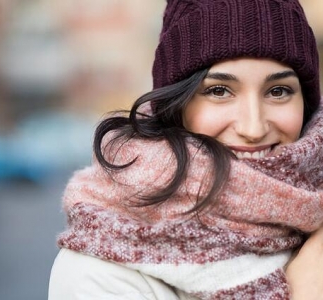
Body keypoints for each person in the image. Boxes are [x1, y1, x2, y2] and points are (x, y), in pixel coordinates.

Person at [49, 0, 323, 299]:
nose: (253, 127)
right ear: (176, 104)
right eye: (218, 91)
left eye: (278, 91)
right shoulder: (100, 269)